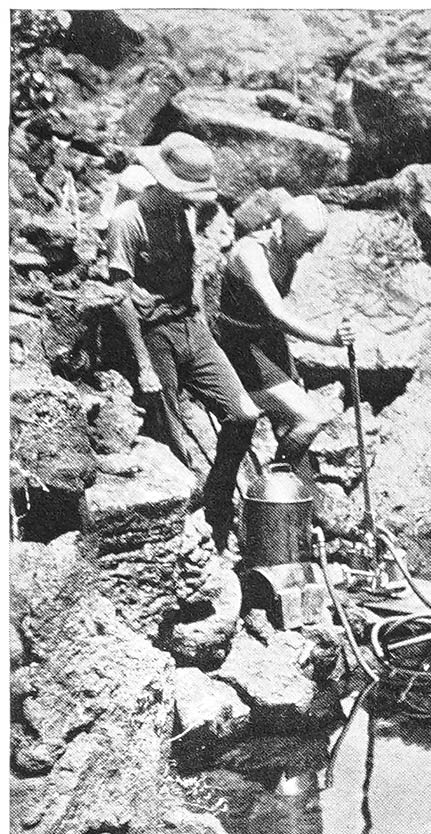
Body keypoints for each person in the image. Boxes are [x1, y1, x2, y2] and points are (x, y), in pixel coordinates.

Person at [107, 131, 261, 548]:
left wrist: (203, 325)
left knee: (244, 414)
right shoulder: (127, 221)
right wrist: (143, 365)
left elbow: (191, 270)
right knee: (173, 439)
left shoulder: (186, 213)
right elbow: (121, 296)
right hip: (155, 333)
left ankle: (218, 496)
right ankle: (188, 532)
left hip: (193, 325)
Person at [215, 194, 353, 486]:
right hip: (240, 347)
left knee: (290, 422)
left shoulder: (287, 254)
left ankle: (299, 494)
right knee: (310, 419)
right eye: (308, 243)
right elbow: (276, 314)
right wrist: (330, 338)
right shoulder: (251, 253)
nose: (311, 250)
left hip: (267, 342)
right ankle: (275, 487)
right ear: (286, 229)